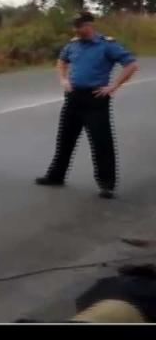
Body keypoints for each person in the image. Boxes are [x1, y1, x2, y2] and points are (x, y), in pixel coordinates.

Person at [36, 12, 140, 199]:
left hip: (95, 98)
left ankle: (106, 184)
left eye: (79, 26)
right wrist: (63, 79)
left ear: (89, 25)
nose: (75, 29)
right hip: (74, 97)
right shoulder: (73, 44)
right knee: (65, 140)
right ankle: (56, 176)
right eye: (74, 26)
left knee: (101, 142)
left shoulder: (107, 45)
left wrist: (114, 85)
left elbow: (131, 64)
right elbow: (61, 61)